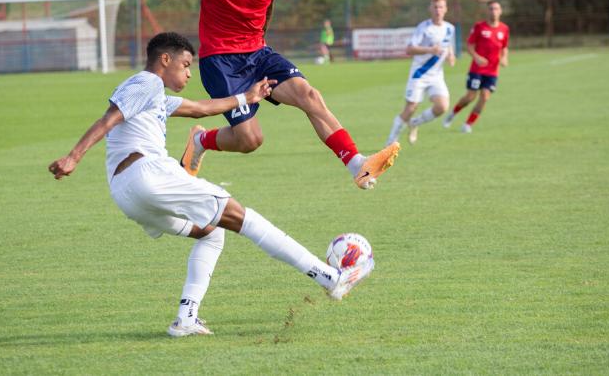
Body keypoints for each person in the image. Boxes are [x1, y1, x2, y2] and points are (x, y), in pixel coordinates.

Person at [48, 32, 372, 338]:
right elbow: (108, 119)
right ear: (164, 60)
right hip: (148, 173)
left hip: (127, 195)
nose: (189, 73)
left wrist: (248, 96)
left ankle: (186, 318)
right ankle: (330, 278)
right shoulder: (145, 82)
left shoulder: (156, 98)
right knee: (242, 217)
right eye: (185, 64)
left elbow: (202, 108)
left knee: (211, 232)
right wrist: (74, 156)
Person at [153, 0, 399, 190]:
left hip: (259, 54)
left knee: (310, 96)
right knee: (250, 141)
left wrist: (260, 42)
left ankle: (357, 164)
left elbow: (265, 8)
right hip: (221, 61)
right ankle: (201, 141)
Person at [386, 0, 456, 146]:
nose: (438, 10)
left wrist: (450, 55)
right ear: (430, 9)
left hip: (437, 75)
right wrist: (430, 49)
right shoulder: (423, 28)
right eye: (435, 7)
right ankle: (391, 141)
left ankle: (415, 123)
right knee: (411, 107)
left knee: (442, 106)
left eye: (441, 7)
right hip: (420, 74)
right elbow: (409, 49)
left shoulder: (450, 28)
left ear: (446, 9)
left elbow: (447, 43)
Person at [443, 1, 509, 133]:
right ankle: (453, 113)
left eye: (496, 9)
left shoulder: (504, 29)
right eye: (491, 9)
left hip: (492, 71)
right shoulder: (480, 27)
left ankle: (468, 124)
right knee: (470, 97)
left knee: (484, 97)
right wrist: (477, 57)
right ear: (488, 11)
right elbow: (469, 46)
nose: (494, 11)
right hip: (477, 69)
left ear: (500, 11)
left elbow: (504, 47)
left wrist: (504, 58)